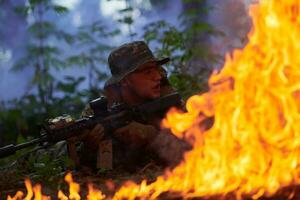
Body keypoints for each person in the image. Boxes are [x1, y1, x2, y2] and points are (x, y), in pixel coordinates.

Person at [68, 41, 191, 171]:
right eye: (148, 72)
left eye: (156, 69)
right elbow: (69, 164)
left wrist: (151, 135)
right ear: (125, 80)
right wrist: (89, 148)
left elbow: (194, 141)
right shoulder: (98, 113)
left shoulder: (166, 99)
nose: (158, 76)